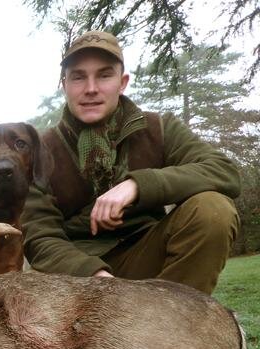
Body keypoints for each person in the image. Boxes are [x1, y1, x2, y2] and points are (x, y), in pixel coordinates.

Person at [22, 30, 241, 294]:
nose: (91, 89)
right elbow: (40, 238)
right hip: (77, 277)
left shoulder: (160, 128)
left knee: (212, 209)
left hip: (150, 255)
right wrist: (95, 276)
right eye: (78, 77)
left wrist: (136, 185)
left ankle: (173, 323)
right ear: (64, 85)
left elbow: (223, 171)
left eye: (104, 75)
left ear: (122, 82)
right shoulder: (39, 151)